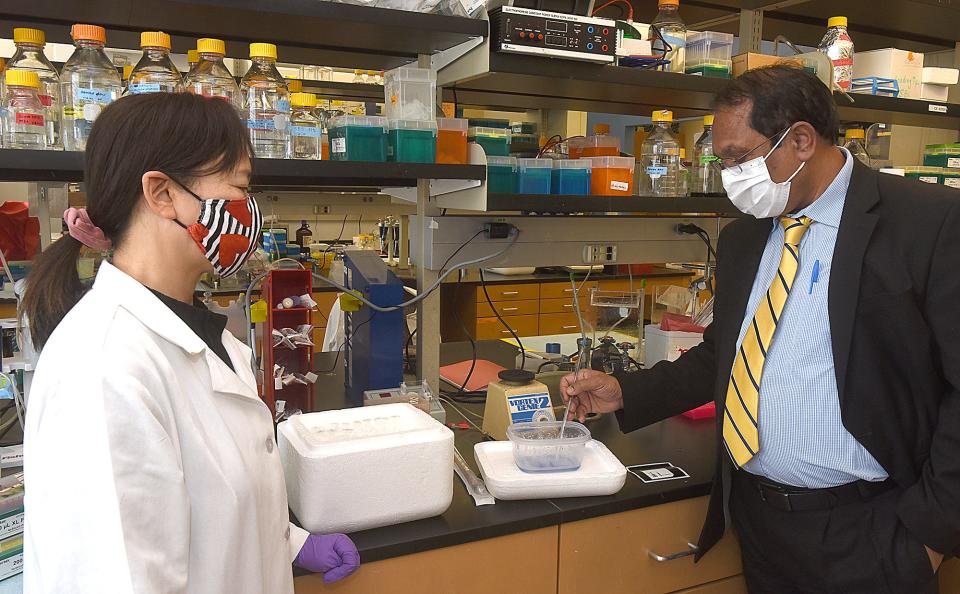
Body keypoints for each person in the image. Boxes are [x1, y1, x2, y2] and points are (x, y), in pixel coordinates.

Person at [562, 65, 959, 593]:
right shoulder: (747, 238)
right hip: (762, 523)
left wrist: (929, 535)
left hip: (871, 528)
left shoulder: (927, 222)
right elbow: (725, 355)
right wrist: (625, 390)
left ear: (799, 140)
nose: (729, 175)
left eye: (738, 157)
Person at [21, 93, 360, 593]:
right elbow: (118, 576)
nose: (249, 213)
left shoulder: (200, 334)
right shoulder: (103, 368)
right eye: (239, 187)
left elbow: (203, 502)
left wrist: (285, 541)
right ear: (161, 193)